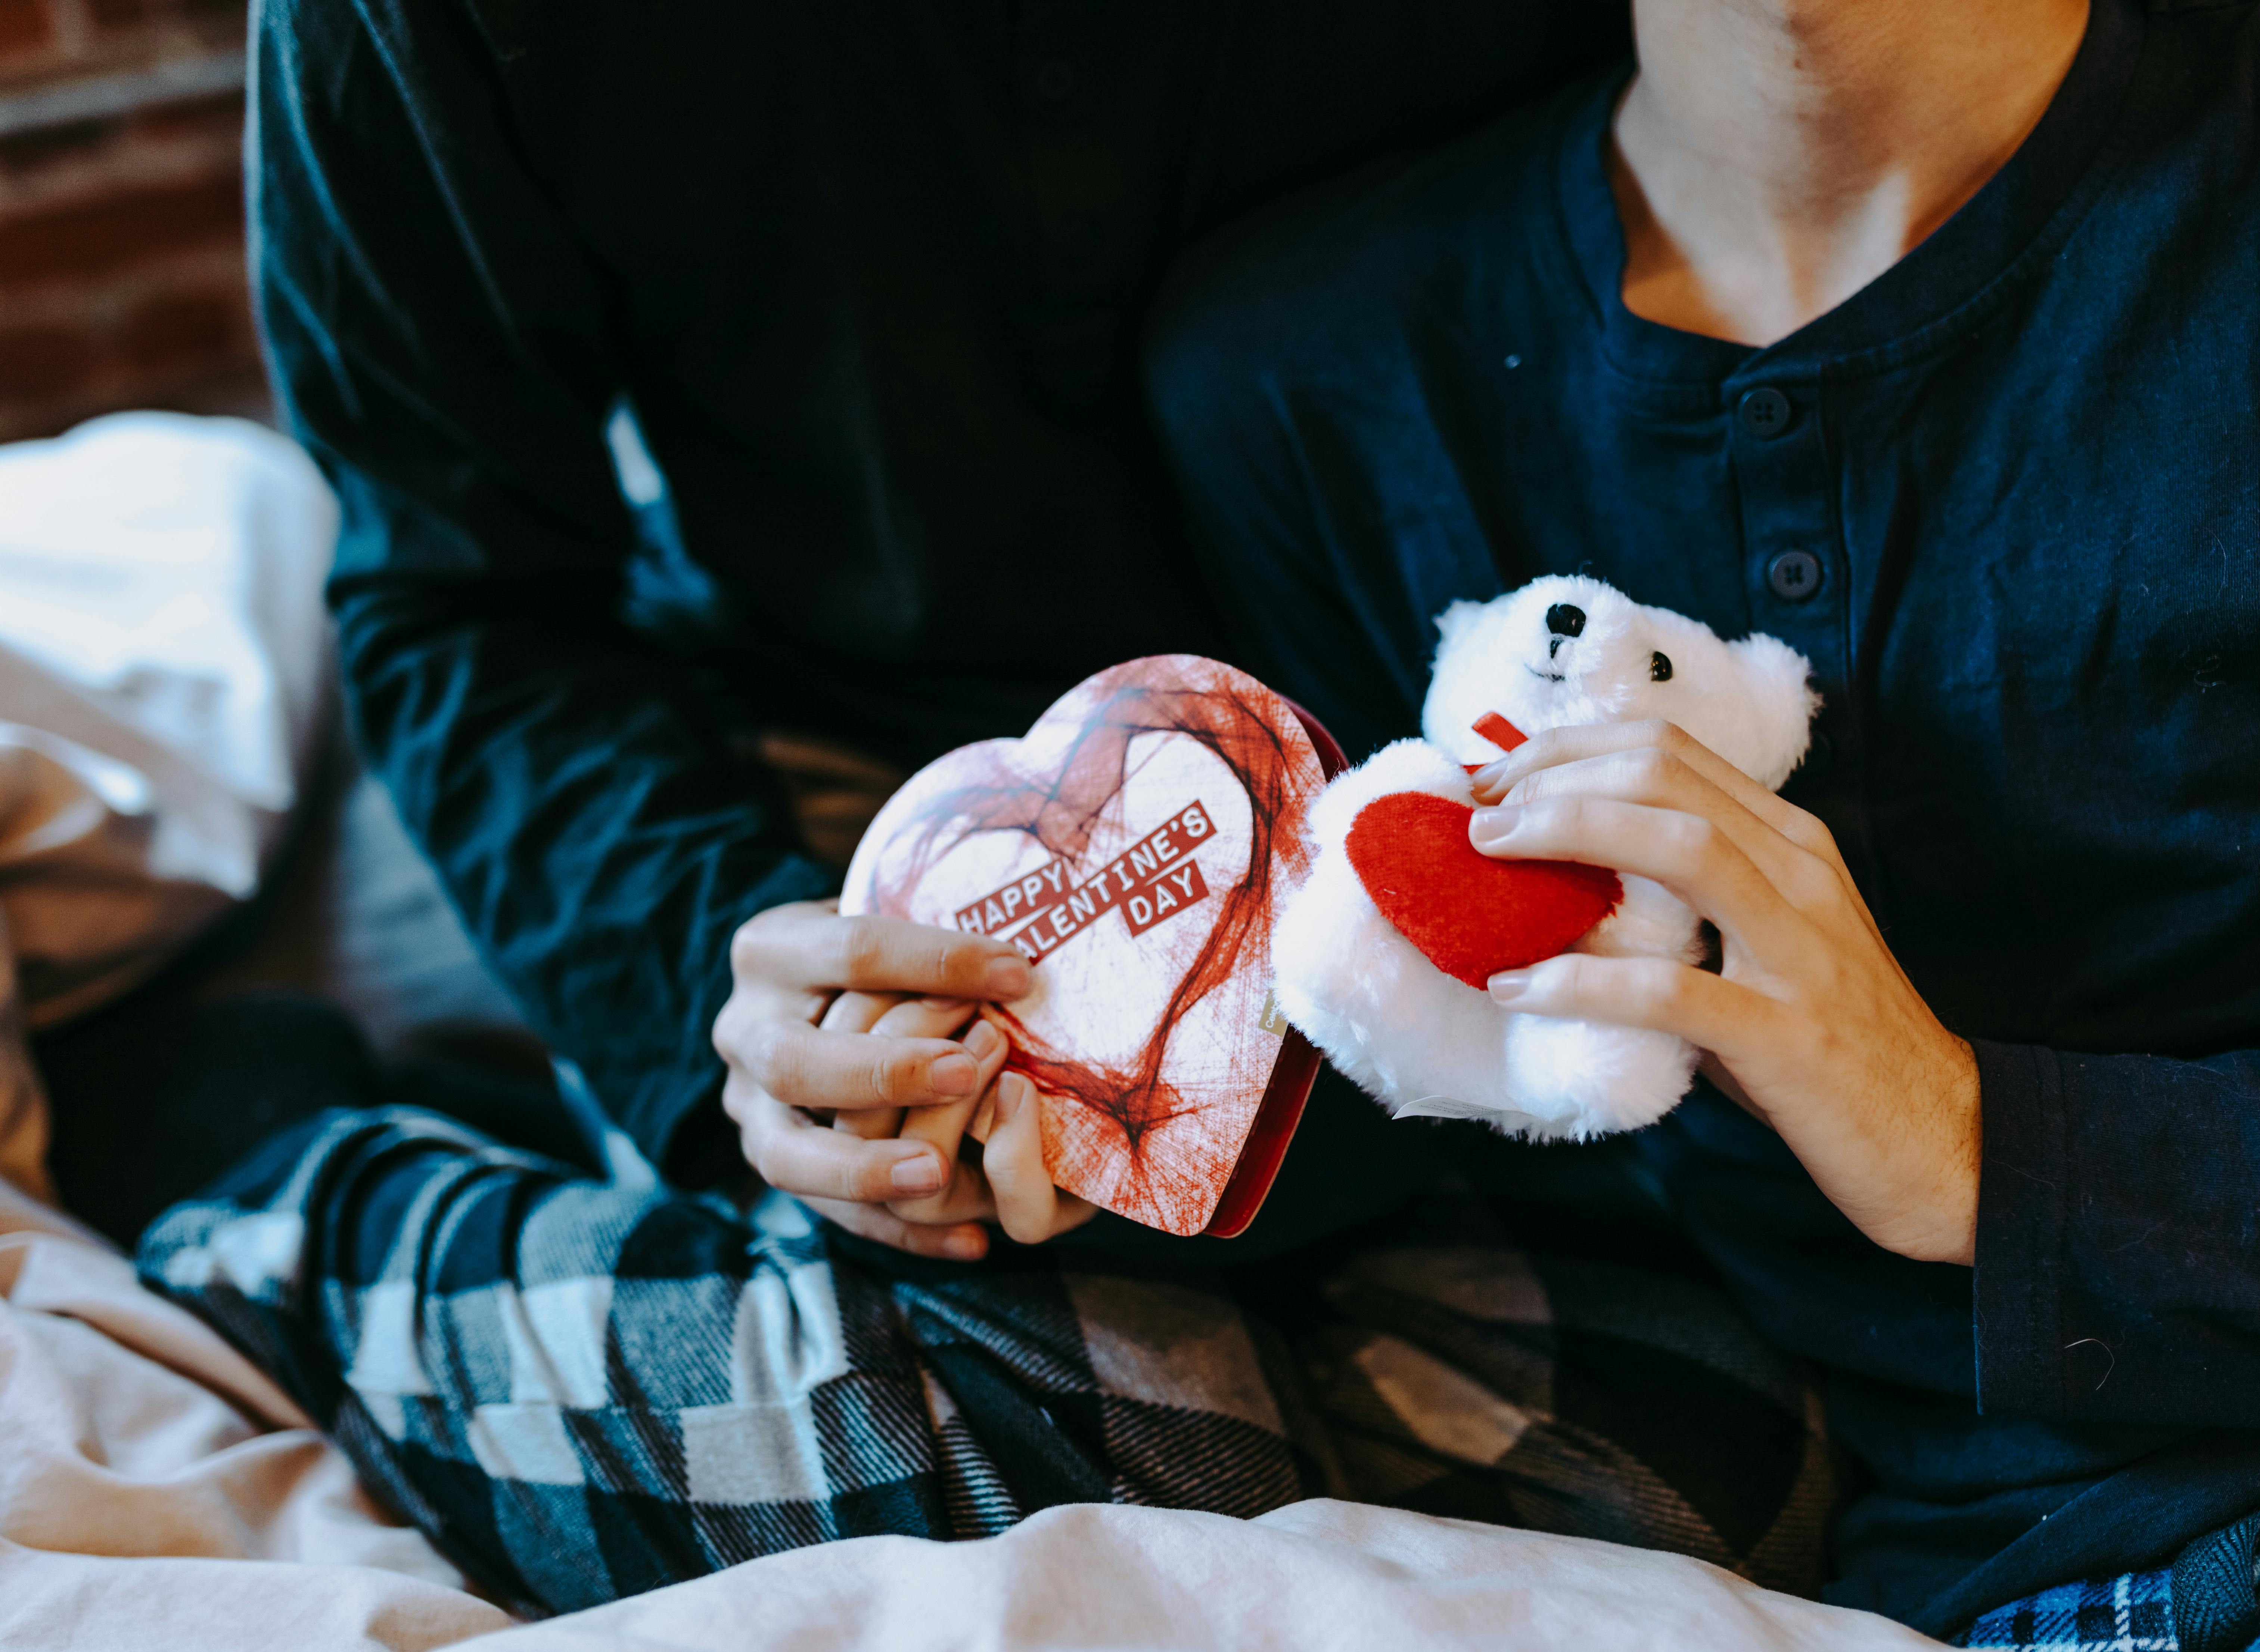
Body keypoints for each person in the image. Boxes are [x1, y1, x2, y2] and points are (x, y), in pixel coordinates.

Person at [135, 0, 1850, 1621]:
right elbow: (463, 597)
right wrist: (723, 1008)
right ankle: (294, 1209)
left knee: (1712, 1494)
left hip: (1408, 826)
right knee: (1148, 1480)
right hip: (858, 829)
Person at [1139, 0, 2260, 1645]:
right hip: (1962, 1585)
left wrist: (1971, 1142)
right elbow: (1405, 1090)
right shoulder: (1306, 368)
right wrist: (1004, 1101)